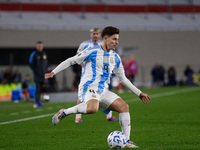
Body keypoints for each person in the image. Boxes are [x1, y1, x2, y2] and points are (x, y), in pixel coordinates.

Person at [45, 26, 151, 148]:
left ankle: (125, 141)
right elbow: (71, 60)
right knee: (92, 109)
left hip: (103, 91)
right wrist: (53, 72)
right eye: (114, 39)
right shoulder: (92, 51)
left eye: (117, 39)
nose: (117, 42)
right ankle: (64, 112)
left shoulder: (115, 57)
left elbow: (123, 79)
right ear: (105, 39)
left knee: (124, 107)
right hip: (88, 87)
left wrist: (139, 93)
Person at [75, 27, 118, 123]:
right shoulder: (84, 44)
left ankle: (109, 116)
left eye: (97, 33)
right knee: (83, 95)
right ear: (91, 34)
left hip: (101, 73)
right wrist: (84, 65)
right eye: (93, 33)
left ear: (100, 35)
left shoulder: (102, 44)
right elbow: (77, 57)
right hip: (88, 74)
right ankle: (78, 117)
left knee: (105, 92)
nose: (95, 35)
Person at [29, 41, 49, 108]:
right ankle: (36, 103)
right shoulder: (34, 54)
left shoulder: (44, 54)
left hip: (43, 75)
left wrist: (48, 68)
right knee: (37, 89)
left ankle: (39, 102)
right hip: (37, 75)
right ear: (36, 46)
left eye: (41, 46)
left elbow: (46, 63)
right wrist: (35, 70)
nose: (40, 47)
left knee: (41, 89)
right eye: (38, 46)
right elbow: (30, 63)